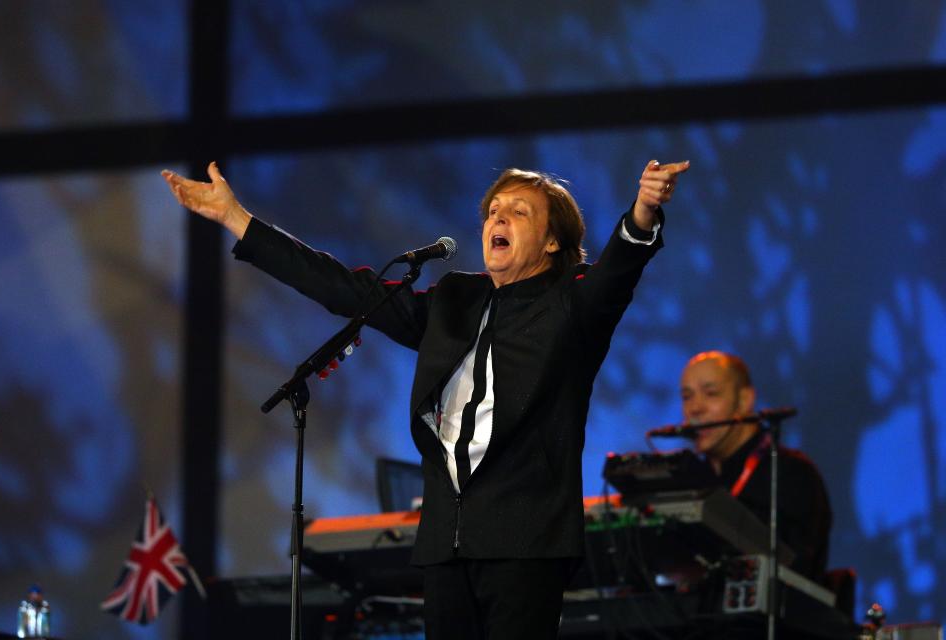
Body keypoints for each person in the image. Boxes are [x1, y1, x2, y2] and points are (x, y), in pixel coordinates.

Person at [163, 158, 689, 639]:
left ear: (552, 242)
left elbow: (619, 271)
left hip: (526, 542)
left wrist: (643, 213)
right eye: (492, 211)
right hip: (445, 544)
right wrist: (239, 220)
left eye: (518, 212)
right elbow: (344, 289)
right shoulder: (453, 302)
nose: (497, 219)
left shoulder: (571, 305)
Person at [679, 350, 832, 582]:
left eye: (711, 394)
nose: (695, 408)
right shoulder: (689, 479)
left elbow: (797, 572)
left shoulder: (791, 473)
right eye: (687, 396)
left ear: (745, 400)